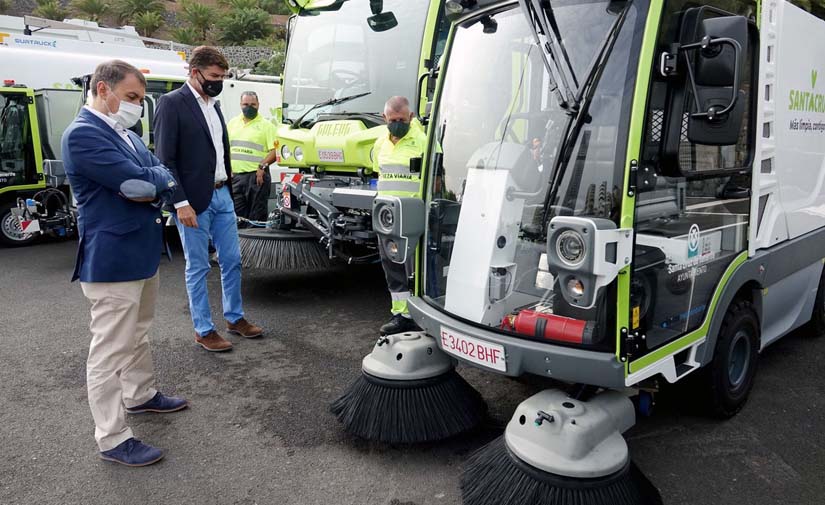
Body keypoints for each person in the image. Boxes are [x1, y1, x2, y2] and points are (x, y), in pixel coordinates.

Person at [62, 60, 188, 467]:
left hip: (139, 253)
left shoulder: (125, 134)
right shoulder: (83, 135)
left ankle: (141, 395)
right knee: (110, 350)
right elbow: (137, 185)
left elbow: (158, 174)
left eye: (140, 99)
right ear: (103, 89)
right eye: (131, 97)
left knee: (138, 334)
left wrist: (157, 180)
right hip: (113, 260)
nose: (136, 106)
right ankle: (112, 437)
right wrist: (158, 181)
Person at [153, 46, 263, 352]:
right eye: (214, 76)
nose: (218, 82)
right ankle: (203, 329)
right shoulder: (171, 103)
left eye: (222, 77)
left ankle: (235, 318)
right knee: (198, 266)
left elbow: (220, 152)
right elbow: (165, 160)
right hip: (192, 201)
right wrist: (179, 202)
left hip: (222, 194)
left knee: (232, 260)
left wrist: (226, 186)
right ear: (194, 72)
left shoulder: (214, 106)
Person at [373, 96, 428, 336]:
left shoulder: (424, 141)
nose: (397, 124)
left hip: (413, 218)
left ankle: (421, 315)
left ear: (411, 117)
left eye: (402, 120)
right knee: (392, 268)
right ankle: (401, 315)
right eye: (393, 120)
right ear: (384, 118)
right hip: (388, 219)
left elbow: (436, 178)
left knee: (415, 269)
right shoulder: (380, 143)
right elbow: (380, 174)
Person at [226, 90, 278, 223]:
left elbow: (275, 151)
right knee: (236, 218)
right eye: (245, 104)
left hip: (257, 177)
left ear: (258, 105)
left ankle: (257, 243)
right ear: (240, 104)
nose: (249, 107)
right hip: (236, 177)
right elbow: (225, 148)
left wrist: (262, 166)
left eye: (253, 104)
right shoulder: (232, 123)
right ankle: (240, 244)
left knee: (257, 216)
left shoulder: (267, 126)